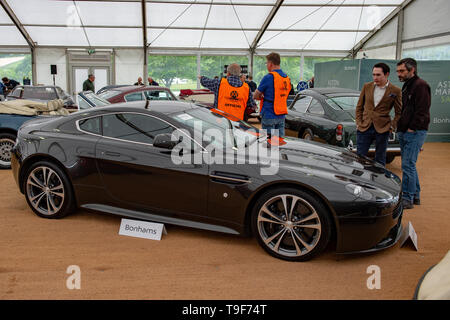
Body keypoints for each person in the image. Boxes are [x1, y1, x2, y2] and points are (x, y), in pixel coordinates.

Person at [396, 58, 431, 209]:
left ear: (412, 70)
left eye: (402, 71)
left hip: (415, 132)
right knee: (410, 164)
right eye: (398, 71)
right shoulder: (407, 85)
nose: (399, 74)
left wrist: (412, 128)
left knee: (407, 165)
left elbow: (422, 110)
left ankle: (407, 198)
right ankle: (415, 195)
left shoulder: (421, 85)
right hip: (405, 131)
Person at [355, 62, 402, 166]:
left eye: (378, 75)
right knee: (360, 158)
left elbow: (399, 112)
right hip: (364, 127)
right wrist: (358, 122)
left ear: (386, 74)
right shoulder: (367, 86)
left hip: (383, 129)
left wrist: (392, 126)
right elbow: (359, 106)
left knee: (380, 159)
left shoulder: (395, 91)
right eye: (373, 74)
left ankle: (378, 180)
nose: (375, 77)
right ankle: (358, 181)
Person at [253, 52, 291, 138]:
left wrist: (261, 97)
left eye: (267, 63)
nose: (267, 65)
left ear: (270, 64)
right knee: (279, 142)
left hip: (269, 114)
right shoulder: (286, 78)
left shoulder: (268, 77)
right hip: (281, 115)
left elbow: (255, 95)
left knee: (269, 144)